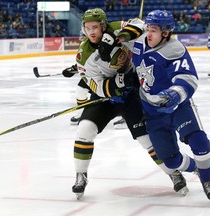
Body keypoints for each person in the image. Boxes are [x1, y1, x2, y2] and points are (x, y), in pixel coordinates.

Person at [71, 8, 189, 200]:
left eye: (95, 27)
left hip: (131, 95)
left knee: (146, 140)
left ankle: (173, 173)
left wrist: (119, 36)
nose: (91, 32)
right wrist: (119, 84)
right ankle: (80, 175)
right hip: (107, 98)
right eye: (87, 28)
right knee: (84, 130)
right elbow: (98, 87)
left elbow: (141, 25)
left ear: (103, 26)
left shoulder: (116, 28)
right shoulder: (84, 55)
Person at [131, 10, 210, 202]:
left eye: (154, 30)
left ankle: (208, 180)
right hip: (152, 111)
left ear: (166, 32)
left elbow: (188, 78)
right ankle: (197, 167)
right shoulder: (139, 42)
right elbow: (118, 35)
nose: (149, 33)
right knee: (170, 159)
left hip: (177, 106)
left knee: (199, 142)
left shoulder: (174, 49)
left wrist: (174, 93)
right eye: (148, 28)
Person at [62, 64, 127, 129]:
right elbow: (87, 57)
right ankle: (84, 112)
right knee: (81, 89)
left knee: (122, 91)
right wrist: (75, 68)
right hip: (96, 73)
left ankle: (129, 116)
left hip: (114, 72)